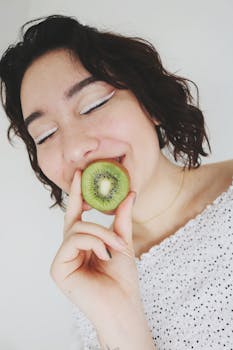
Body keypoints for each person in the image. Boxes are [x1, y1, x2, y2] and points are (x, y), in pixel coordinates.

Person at [0, 14, 232, 350]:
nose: (76, 146)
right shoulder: (90, 283)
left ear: (149, 103)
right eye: (45, 135)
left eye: (94, 104)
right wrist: (116, 317)